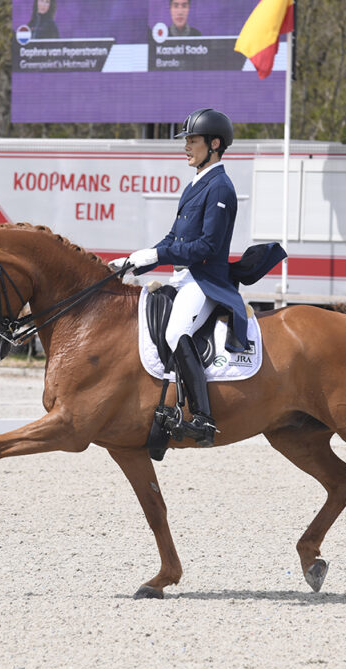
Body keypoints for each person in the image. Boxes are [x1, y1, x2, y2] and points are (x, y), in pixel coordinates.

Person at [110, 108, 239, 447]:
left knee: (175, 330)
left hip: (207, 280)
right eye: (187, 141)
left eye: (192, 141)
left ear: (214, 144)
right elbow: (174, 239)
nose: (186, 147)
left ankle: (203, 418)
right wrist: (136, 261)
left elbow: (207, 246)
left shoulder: (220, 187)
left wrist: (159, 255)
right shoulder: (196, 184)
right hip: (186, 277)